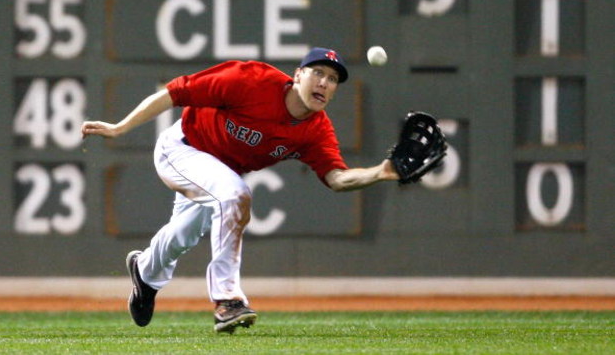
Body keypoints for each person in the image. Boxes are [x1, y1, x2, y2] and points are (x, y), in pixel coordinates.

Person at [81, 47, 400, 333]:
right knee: (235, 194)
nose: (324, 83)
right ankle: (227, 300)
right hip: (181, 149)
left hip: (218, 170)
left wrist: (383, 172)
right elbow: (175, 92)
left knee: (183, 234)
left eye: (332, 79)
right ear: (298, 75)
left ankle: (145, 270)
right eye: (317, 73)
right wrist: (120, 127)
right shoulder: (251, 79)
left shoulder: (316, 129)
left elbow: (336, 179)